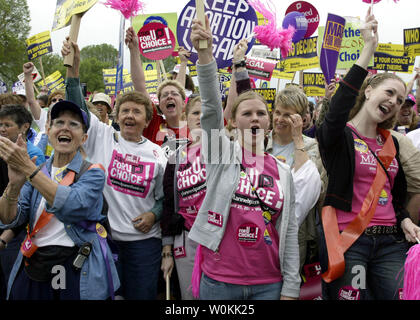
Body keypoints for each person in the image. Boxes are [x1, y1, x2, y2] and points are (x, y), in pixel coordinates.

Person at [187, 17, 300, 300]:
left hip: (269, 284)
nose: (254, 118)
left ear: (269, 123)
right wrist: (205, 54)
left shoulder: (283, 172)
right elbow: (212, 107)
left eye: (261, 113)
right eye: (246, 113)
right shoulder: (220, 155)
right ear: (233, 122)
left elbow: (289, 233)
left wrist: (290, 288)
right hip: (221, 282)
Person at [316, 9, 420, 300]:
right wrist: (367, 51)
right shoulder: (339, 136)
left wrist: (404, 220)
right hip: (350, 242)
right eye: (388, 93)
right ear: (370, 90)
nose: (393, 102)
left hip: (390, 244)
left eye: (399, 100)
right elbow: (336, 110)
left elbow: (391, 195)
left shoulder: (393, 144)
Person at [62, 38, 167, 300]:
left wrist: (154, 214)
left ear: (147, 119)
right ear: (117, 116)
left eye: (137, 111)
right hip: (105, 241)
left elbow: (167, 199)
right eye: (125, 111)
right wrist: (73, 72)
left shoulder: (158, 155)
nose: (130, 115)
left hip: (145, 246)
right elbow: (77, 107)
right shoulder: (103, 136)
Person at [0, 100, 119, 300]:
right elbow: (9, 218)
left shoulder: (93, 172)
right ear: (48, 130)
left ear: (84, 137)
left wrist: (28, 170)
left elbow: (72, 206)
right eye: (59, 122)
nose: (65, 128)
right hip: (33, 262)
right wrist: (14, 185)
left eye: (73, 124)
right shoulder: (38, 169)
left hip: (73, 266)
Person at [0, 104, 46, 299]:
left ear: (24, 127)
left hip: (13, 236)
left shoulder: (33, 156)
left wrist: (5, 237)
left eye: (7, 125)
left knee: (12, 287)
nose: (1, 129)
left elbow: (28, 208)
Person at [161, 95, 204, 300]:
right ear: (186, 118)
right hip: (185, 240)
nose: (201, 117)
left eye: (207, 112)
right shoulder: (176, 155)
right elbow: (169, 204)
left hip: (219, 240)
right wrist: (167, 250)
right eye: (196, 112)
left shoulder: (228, 151)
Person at [126, 26, 188, 148]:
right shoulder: (154, 123)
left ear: (184, 103)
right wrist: (134, 51)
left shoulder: (196, 126)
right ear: (159, 105)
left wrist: (183, 63)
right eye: (164, 95)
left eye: (174, 94)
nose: (169, 96)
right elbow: (140, 86)